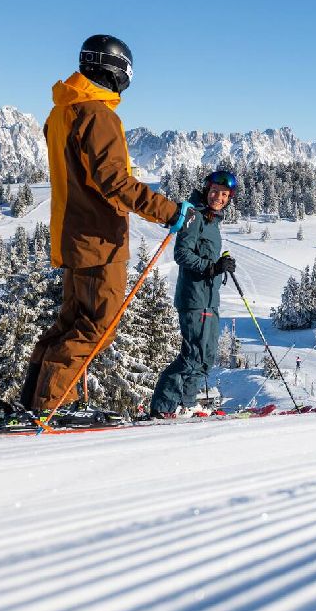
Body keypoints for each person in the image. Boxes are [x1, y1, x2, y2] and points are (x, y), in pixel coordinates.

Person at [22, 34, 192, 414]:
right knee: (96, 328)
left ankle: (32, 401)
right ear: (116, 69)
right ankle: (49, 409)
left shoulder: (62, 112)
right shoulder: (98, 115)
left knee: (69, 325)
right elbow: (114, 181)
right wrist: (168, 211)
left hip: (73, 238)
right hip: (100, 242)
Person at [151, 169, 238, 417]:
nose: (218, 197)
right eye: (214, 192)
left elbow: (204, 254)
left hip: (210, 299)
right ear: (207, 190)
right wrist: (212, 267)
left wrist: (221, 262)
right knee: (192, 355)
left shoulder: (212, 220)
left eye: (224, 194)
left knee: (206, 357)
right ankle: (163, 406)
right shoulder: (195, 215)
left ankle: (186, 404)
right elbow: (182, 254)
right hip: (194, 298)